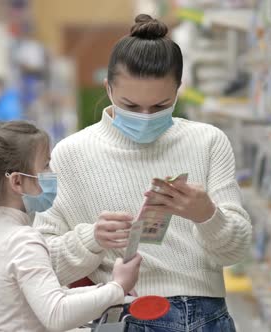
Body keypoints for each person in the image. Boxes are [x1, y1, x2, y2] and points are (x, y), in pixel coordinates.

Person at [34, 14, 252, 332]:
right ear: (108, 89)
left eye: (161, 106)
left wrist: (207, 215)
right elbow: (42, 265)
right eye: (132, 107)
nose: (146, 118)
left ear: (178, 90)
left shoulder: (208, 141)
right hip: (123, 315)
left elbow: (236, 250)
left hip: (208, 317)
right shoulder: (72, 154)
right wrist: (91, 239)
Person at [0, 121, 142, 332]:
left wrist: (106, 292)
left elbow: (43, 297)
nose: (52, 172)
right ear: (17, 182)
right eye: (46, 165)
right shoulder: (22, 240)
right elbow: (57, 314)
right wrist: (119, 286)